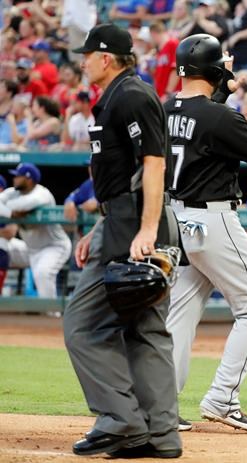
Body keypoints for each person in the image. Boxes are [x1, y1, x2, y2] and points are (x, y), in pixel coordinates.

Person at [62, 23, 182, 458]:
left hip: (136, 225)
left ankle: (120, 420)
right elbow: (125, 174)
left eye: (87, 54)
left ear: (106, 58)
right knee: (144, 330)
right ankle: (159, 436)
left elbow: (153, 164)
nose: (82, 61)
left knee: (82, 325)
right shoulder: (118, 95)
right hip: (123, 220)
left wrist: (146, 229)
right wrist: (99, 227)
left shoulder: (130, 95)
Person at [164, 34, 247, 432]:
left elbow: (206, 119)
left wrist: (235, 83)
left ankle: (160, 403)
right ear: (216, 70)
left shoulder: (163, 107)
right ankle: (223, 398)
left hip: (175, 218)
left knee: (180, 313)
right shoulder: (219, 116)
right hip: (212, 218)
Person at [0, 163, 72, 298]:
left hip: (53, 247)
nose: (14, 179)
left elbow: (23, 204)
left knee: (42, 273)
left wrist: (8, 208)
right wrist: (11, 213)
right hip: (30, 249)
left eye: (18, 176)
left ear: (29, 179)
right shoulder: (12, 192)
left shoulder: (42, 194)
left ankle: (50, 313)